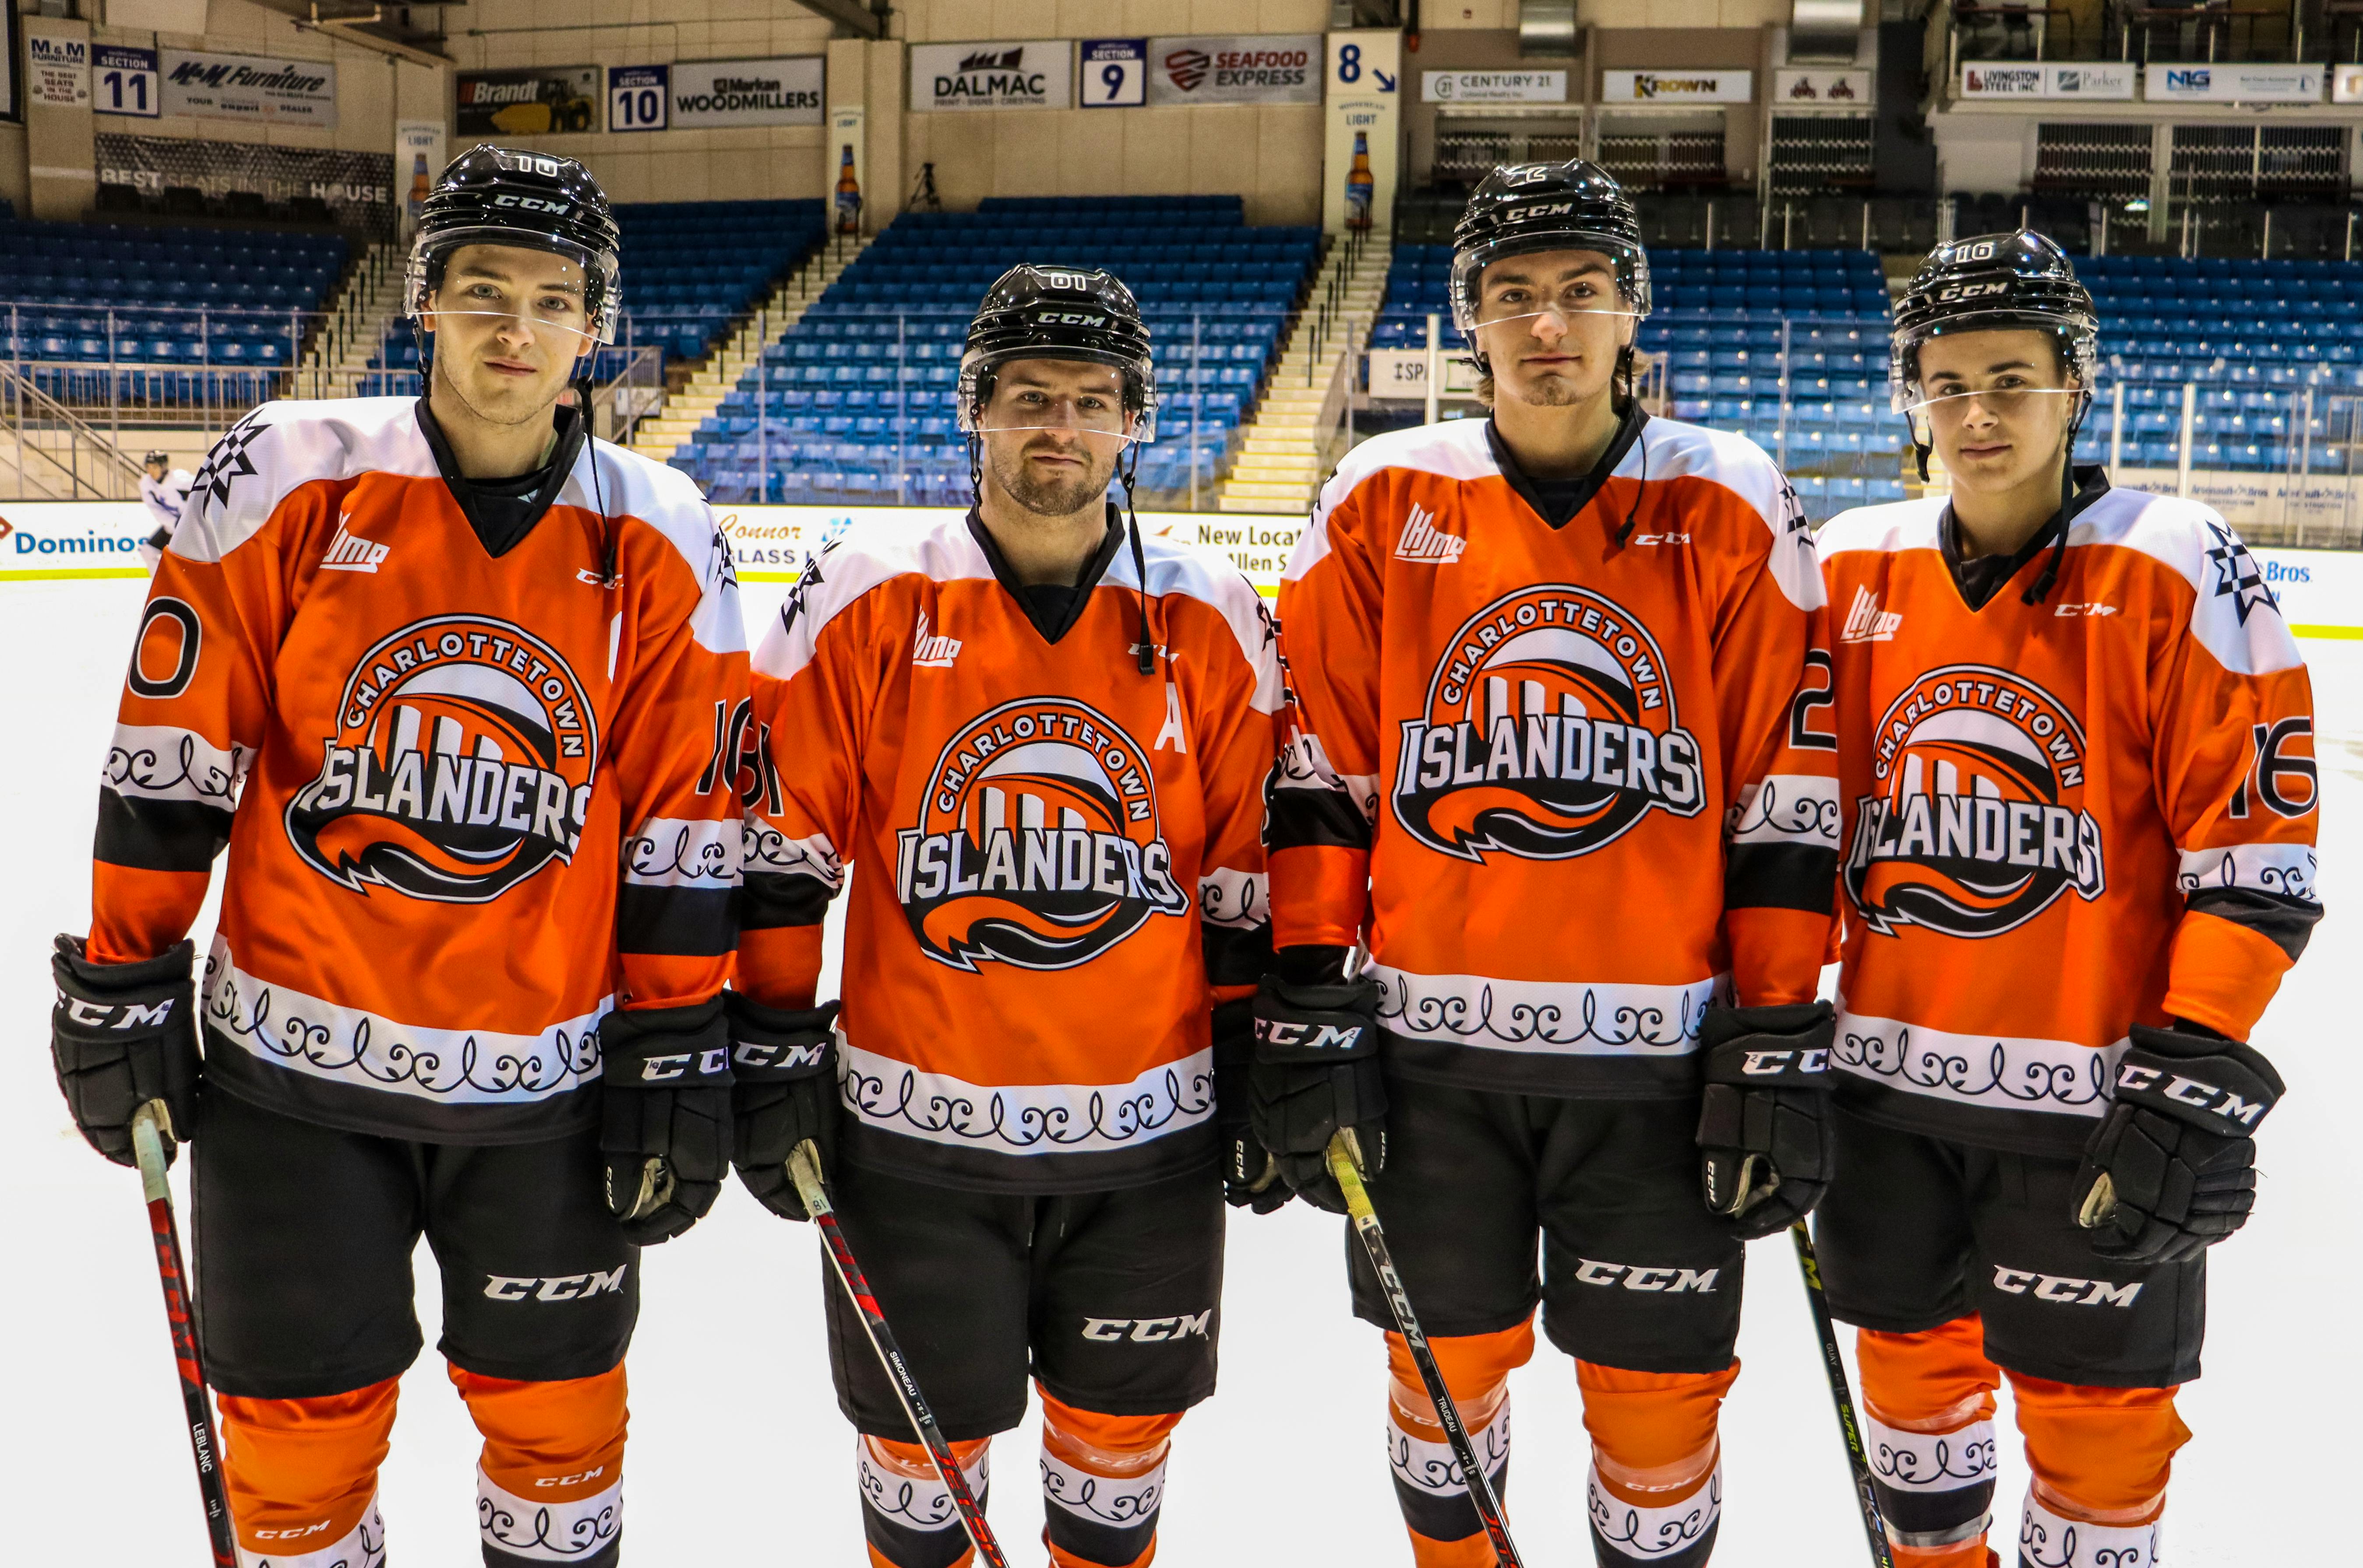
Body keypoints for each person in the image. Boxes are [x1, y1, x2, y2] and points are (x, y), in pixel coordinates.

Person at [49, 145, 748, 1567]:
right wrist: (122, 973)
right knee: (296, 1469)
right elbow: (176, 756)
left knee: (559, 1451)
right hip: (293, 1092)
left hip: (546, 1097)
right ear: (424, 299)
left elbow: (687, 820)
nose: (515, 329)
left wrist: (679, 1048)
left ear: (593, 330)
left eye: (553, 301)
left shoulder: (663, 531)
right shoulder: (291, 471)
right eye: (481, 289)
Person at [1255, 160, 1841, 1567]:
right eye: (1511, 296)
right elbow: (1320, 773)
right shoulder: (1380, 489)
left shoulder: (1730, 496)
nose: (1547, 324)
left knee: (1655, 1408)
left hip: (1658, 1067)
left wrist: (1773, 1025)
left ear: (1632, 309)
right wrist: (1307, 988)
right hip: (1430, 1065)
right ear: (1470, 325)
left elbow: (1786, 793)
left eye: (1582, 290)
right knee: (1439, 1388)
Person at [733, 264, 1280, 1568]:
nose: (1060, 426)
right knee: (920, 1498)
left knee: (1114, 1486)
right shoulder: (866, 587)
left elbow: (1247, 873)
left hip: (1144, 1149)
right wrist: (761, 1038)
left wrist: (1265, 1048)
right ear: (973, 410)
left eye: (1093, 401)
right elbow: (775, 854)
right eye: (1029, 395)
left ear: (1133, 422)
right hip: (914, 1151)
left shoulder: (1206, 609)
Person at [1812, 231, 2319, 1568]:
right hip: (1888, 1099)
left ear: (2072, 385)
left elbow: (2257, 855)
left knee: (2098, 1440)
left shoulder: (2171, 556)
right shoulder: (1849, 566)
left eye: (2010, 379)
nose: (1975, 414)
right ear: (1906, 395)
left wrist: (2188, 1069)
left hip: (2091, 1109)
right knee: (1911, 1427)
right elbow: (1785, 821)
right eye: (1945, 383)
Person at [138, 448, 195, 571]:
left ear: (163, 467)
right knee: (148, 552)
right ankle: (159, 587)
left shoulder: (182, 480)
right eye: (148, 467)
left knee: (188, 560)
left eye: (155, 467)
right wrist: (174, 523)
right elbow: (156, 510)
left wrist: (190, 520)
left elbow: (204, 493)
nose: (150, 471)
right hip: (172, 527)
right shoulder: (146, 484)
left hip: (191, 528)